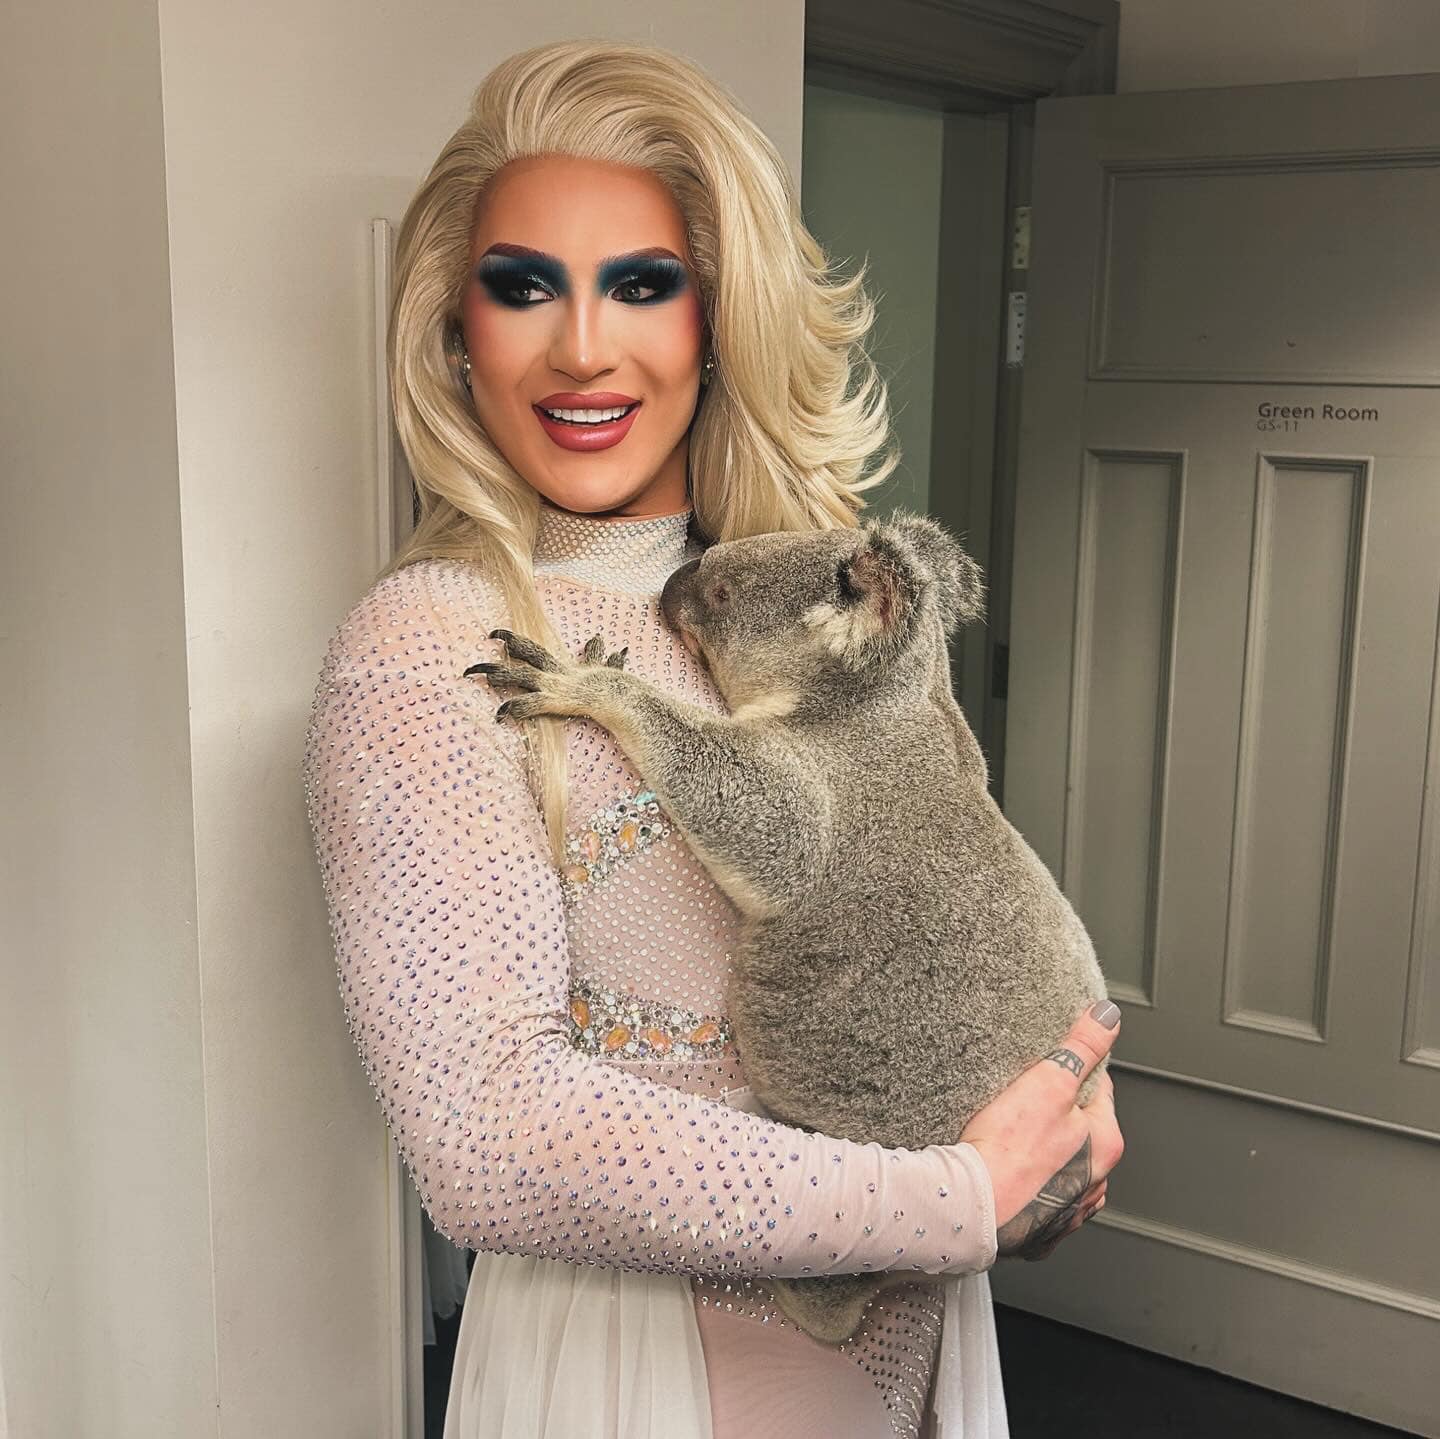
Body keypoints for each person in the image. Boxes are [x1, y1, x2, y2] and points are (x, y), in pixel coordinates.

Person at [301, 37, 1124, 1439]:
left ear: (719, 321)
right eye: (521, 287)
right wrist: (953, 1197)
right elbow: (487, 1137)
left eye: (641, 283)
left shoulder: (803, 597)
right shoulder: (426, 646)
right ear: (454, 333)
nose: (580, 346)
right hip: (649, 1371)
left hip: (922, 1330)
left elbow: (947, 890)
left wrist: (1059, 1095)